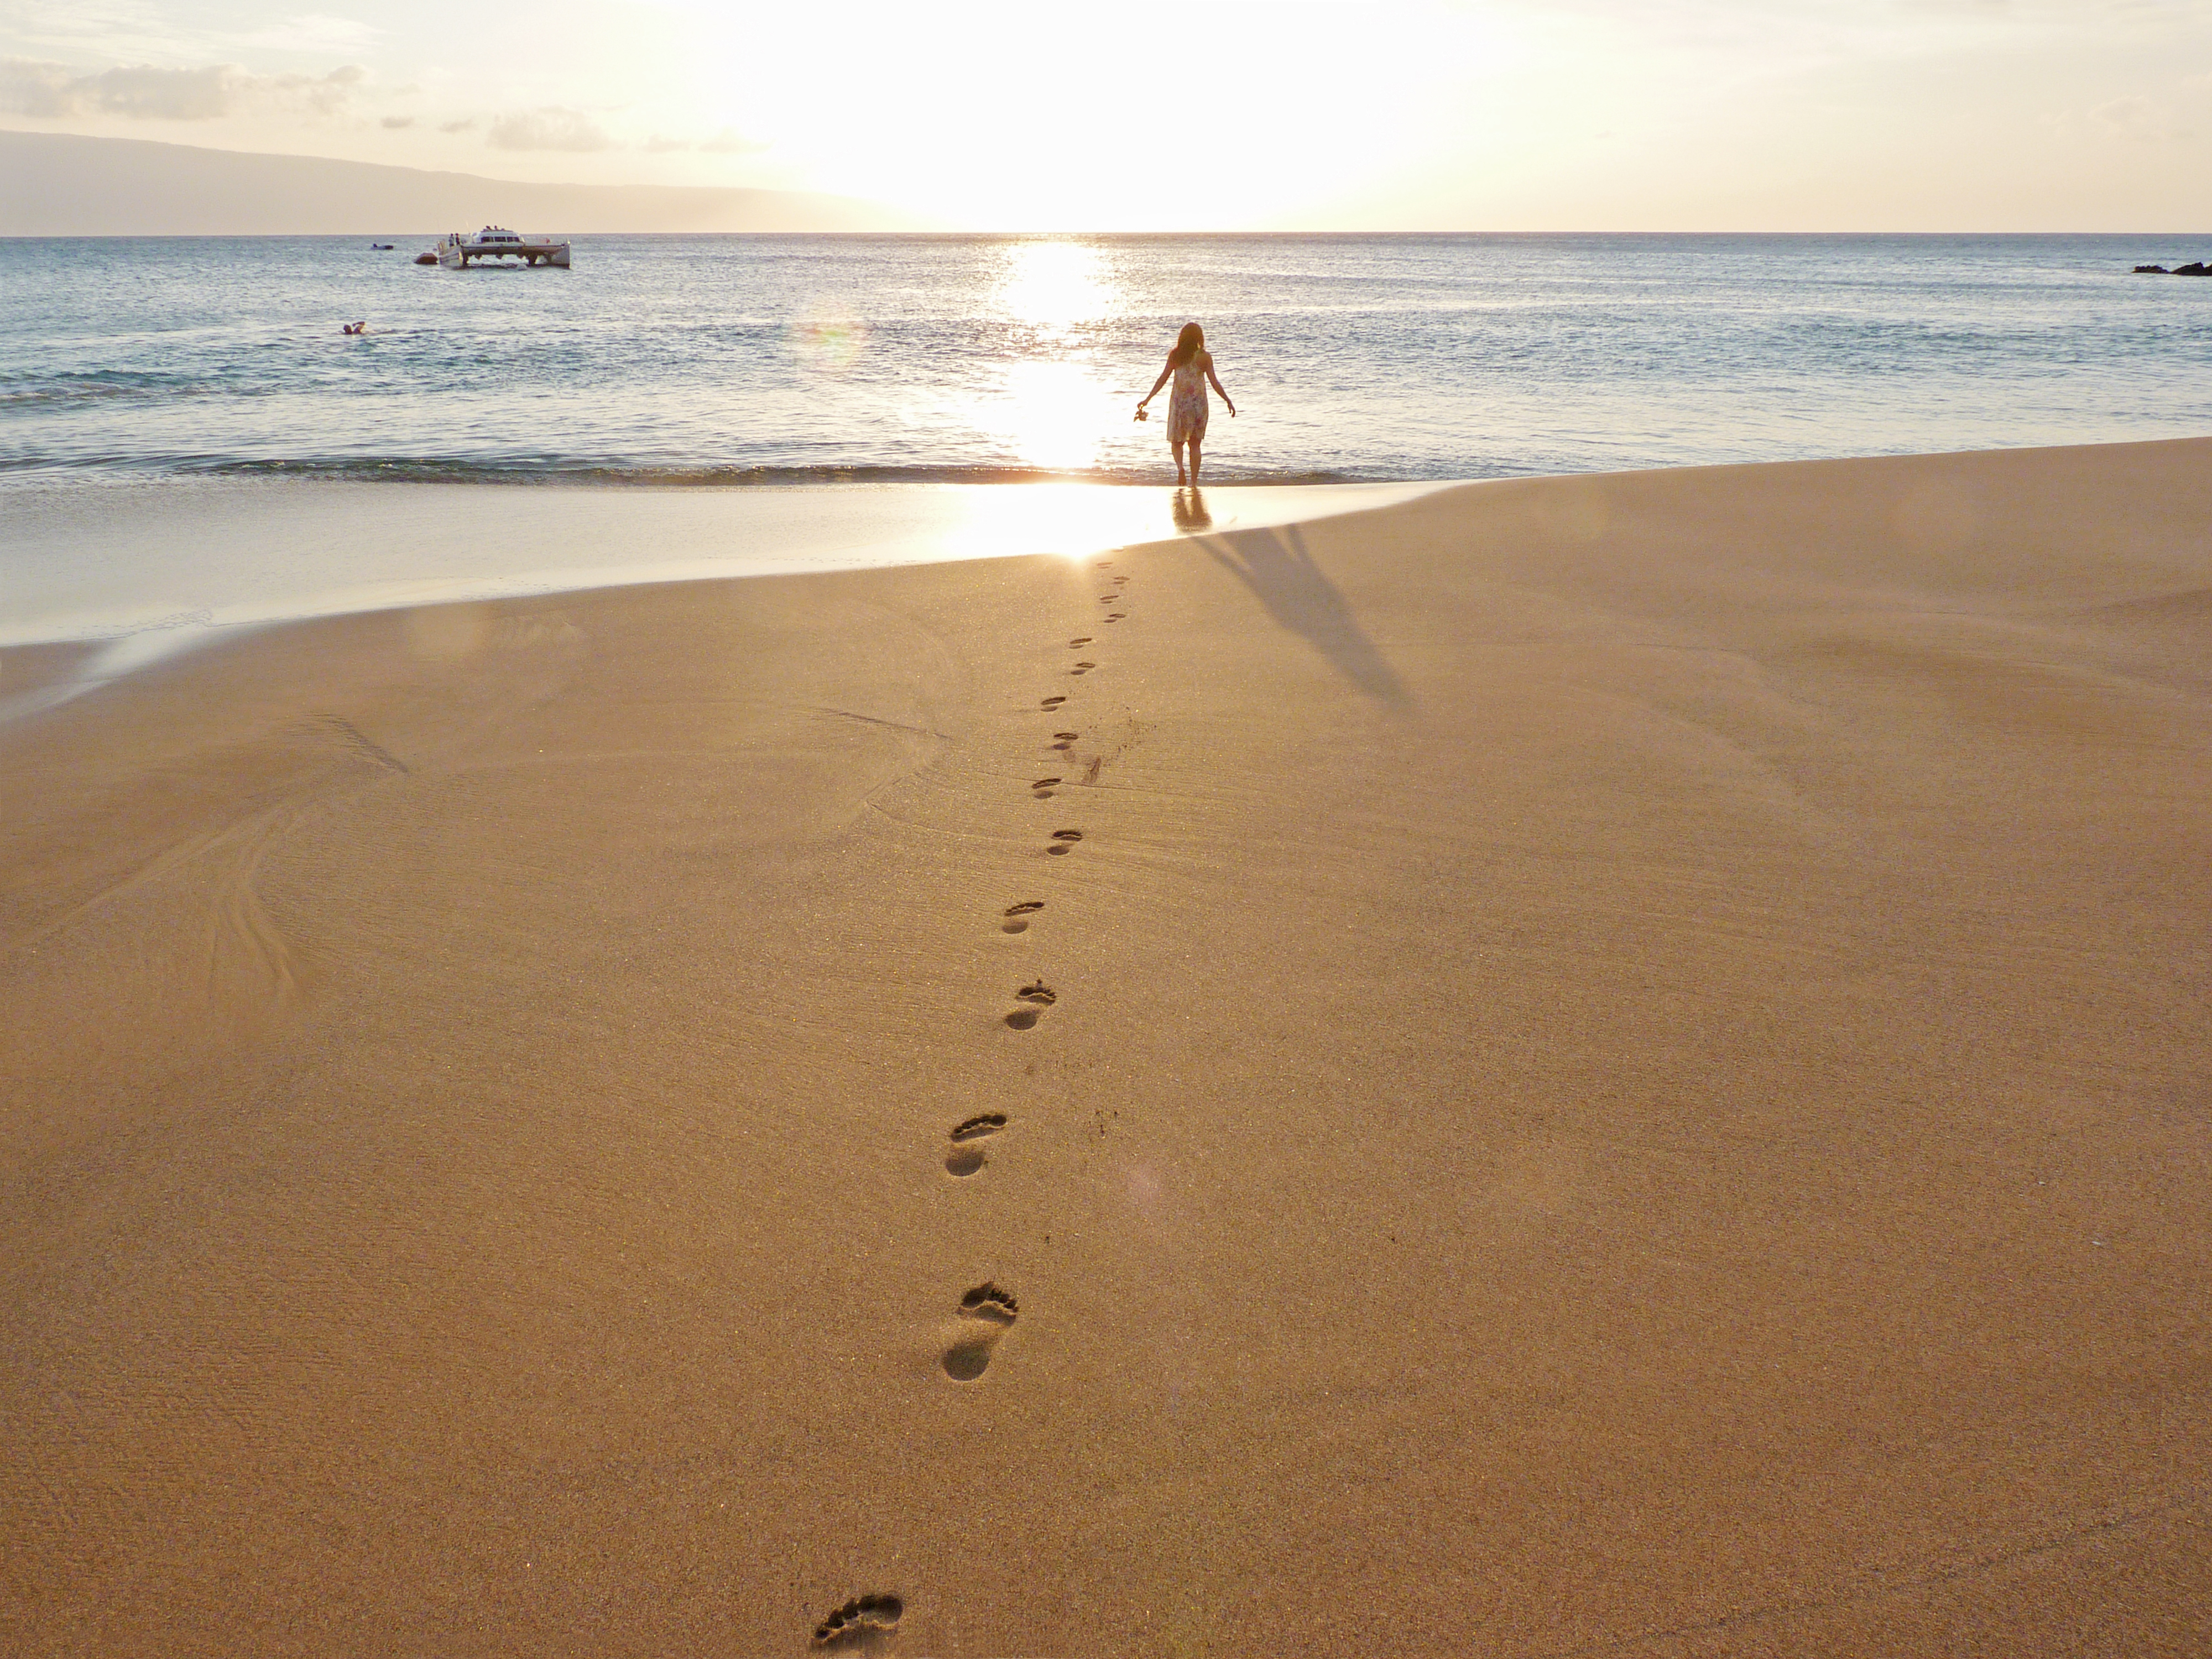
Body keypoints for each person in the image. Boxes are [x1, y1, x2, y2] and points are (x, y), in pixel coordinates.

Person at [1136, 323, 1234, 486]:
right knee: (1195, 444)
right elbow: (1214, 382)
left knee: (1177, 442)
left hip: (1180, 405)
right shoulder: (1204, 357)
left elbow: (1162, 379)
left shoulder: (1176, 356)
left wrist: (1148, 399)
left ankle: (1181, 468)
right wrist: (1227, 400)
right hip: (1198, 405)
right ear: (1199, 338)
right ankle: (1194, 482)